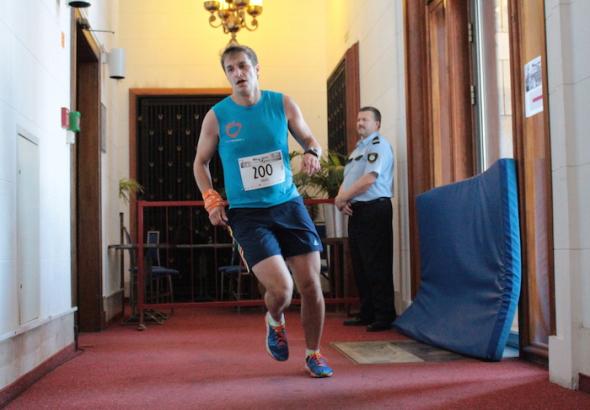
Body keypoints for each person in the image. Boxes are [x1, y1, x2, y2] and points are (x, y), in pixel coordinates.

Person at [193, 44, 333, 378]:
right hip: (248, 214)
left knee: (311, 285)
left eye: (243, 65)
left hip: (288, 205)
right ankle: (275, 319)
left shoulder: (282, 103)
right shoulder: (217, 116)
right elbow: (200, 162)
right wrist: (211, 199)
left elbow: (311, 139)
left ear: (257, 69)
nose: (238, 73)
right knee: (282, 290)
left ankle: (313, 354)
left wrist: (312, 153)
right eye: (230, 69)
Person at [335, 106, 396, 332]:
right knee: (360, 264)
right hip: (358, 210)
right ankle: (367, 311)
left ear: (377, 124)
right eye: (358, 119)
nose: (360, 123)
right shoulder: (357, 150)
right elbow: (350, 179)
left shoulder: (379, 145)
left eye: (365, 119)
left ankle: (384, 315)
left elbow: (369, 178)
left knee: (376, 263)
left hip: (374, 209)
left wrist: (343, 198)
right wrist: (341, 199)